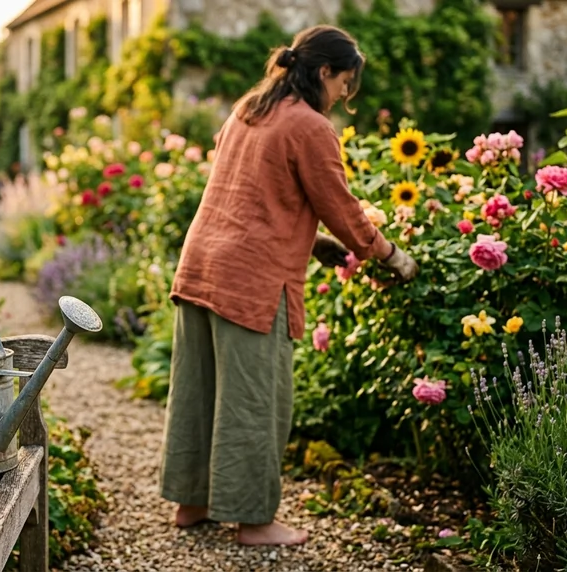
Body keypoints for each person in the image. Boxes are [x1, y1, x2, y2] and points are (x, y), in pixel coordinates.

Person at [158, 25, 419, 547]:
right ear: (324, 72)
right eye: (344, 82)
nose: (344, 94)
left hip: (201, 264)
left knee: (198, 389)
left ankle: (193, 503)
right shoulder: (310, 126)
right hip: (251, 279)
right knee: (254, 399)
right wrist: (391, 254)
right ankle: (254, 521)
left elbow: (253, 192)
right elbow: (341, 206)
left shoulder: (249, 108)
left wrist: (312, 241)